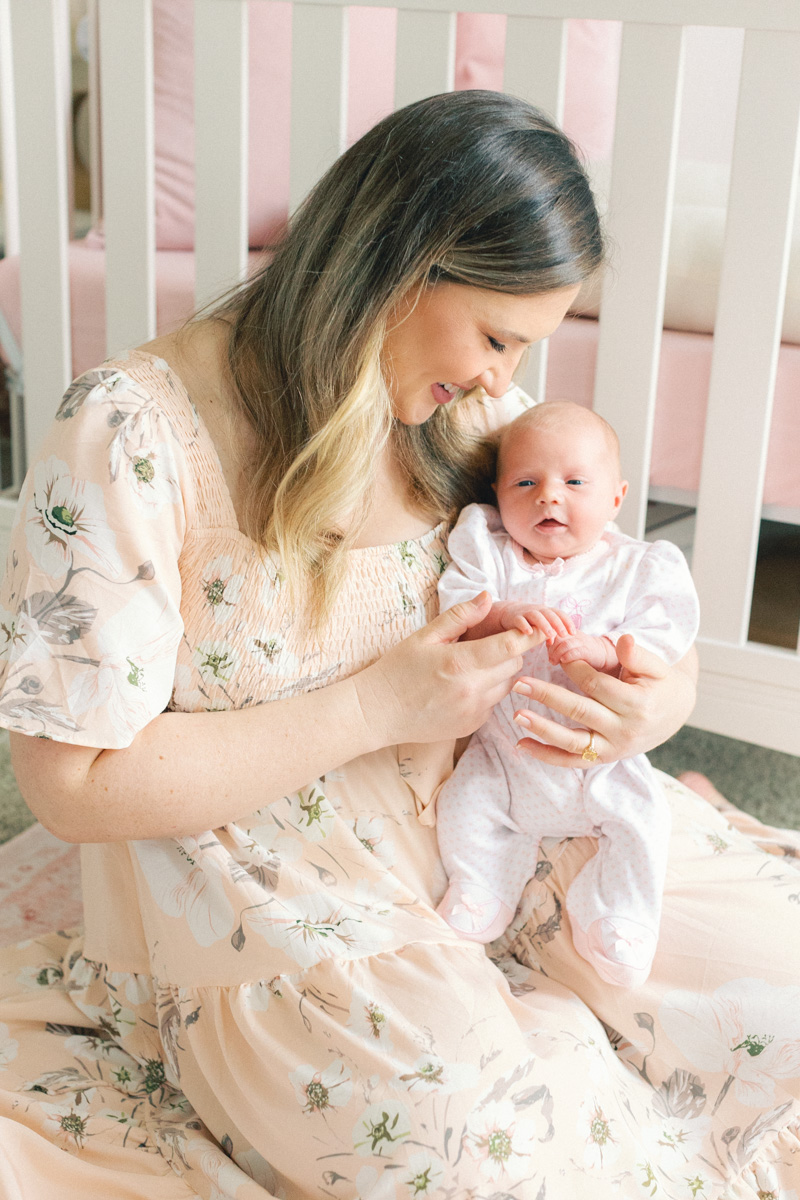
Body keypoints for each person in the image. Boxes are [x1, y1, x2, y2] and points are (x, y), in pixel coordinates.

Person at [0, 90, 797, 1200]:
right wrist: (372, 708)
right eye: (495, 335)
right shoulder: (131, 433)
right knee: (465, 1153)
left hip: (501, 825)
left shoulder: (459, 414)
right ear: (398, 264)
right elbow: (71, 785)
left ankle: (554, 1000)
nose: (495, 376)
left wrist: (652, 704)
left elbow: (610, 578)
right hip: (270, 895)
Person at [434, 401, 699, 988]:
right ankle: (482, 884)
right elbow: (457, 604)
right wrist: (502, 613)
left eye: (575, 483)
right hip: (505, 751)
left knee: (643, 820)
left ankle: (620, 916)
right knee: (466, 803)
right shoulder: (492, 552)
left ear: (616, 499)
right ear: (499, 496)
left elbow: (667, 640)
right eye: (525, 483)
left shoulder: (636, 568)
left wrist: (610, 650)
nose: (548, 497)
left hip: (604, 761)